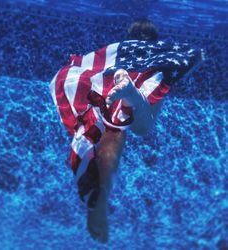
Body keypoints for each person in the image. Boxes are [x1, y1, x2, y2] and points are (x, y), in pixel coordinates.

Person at [86, 18, 163, 243]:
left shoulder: (155, 66)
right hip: (133, 116)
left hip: (137, 115)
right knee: (120, 130)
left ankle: (129, 95)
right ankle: (129, 95)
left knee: (122, 129)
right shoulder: (132, 62)